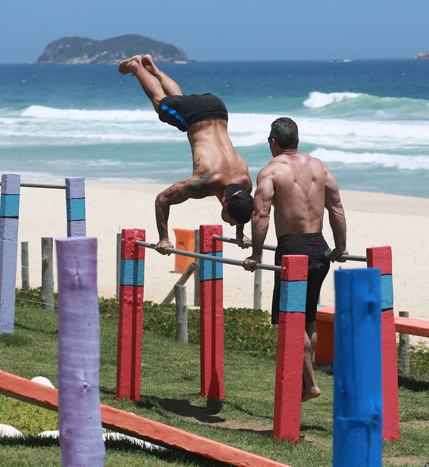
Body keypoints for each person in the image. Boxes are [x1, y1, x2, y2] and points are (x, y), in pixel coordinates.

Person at [242, 117, 348, 402]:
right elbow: (335, 205)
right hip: (320, 246)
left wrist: (255, 254)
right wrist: (341, 247)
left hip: (293, 248)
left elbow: (261, 214)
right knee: (309, 318)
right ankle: (307, 377)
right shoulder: (319, 166)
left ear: (273, 142)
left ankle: (310, 384)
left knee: (292, 320)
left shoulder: (271, 171)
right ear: (297, 141)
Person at [118, 54, 254, 254]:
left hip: (217, 108)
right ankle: (137, 66)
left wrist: (240, 234)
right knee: (160, 103)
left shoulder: (244, 184)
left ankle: (154, 69)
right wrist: (164, 239)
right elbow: (162, 199)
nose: (232, 225)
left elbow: (237, 201)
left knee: (177, 102)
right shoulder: (204, 183)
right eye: (232, 223)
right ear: (225, 204)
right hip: (196, 118)